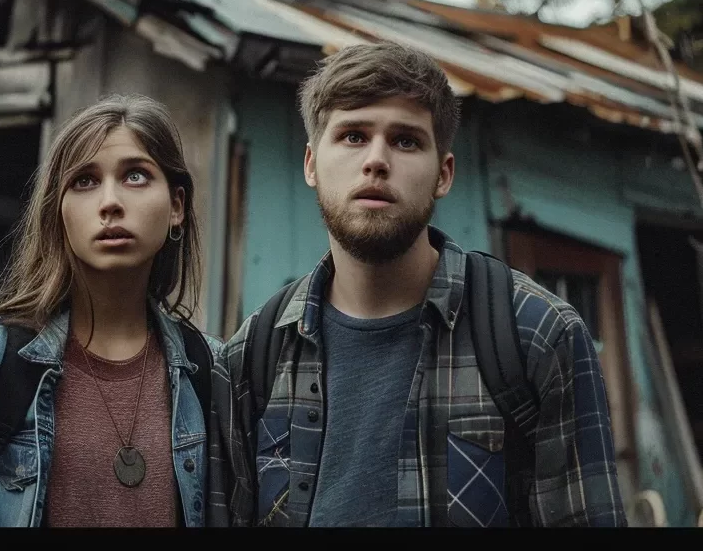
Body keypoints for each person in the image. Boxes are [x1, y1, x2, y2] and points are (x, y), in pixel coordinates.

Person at [206, 41, 627, 528]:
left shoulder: (537, 336)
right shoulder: (252, 356)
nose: (376, 160)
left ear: (443, 174)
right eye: (352, 136)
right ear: (310, 164)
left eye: (406, 140)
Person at [0, 93, 221, 528]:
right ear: (58, 212)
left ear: (176, 206)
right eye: (85, 181)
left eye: (136, 176)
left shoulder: (212, 370)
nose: (110, 202)